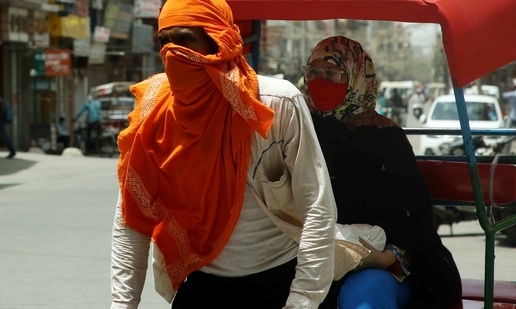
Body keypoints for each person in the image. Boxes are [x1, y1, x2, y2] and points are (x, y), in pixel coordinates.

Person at [108, 1, 387, 308]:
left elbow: (317, 209)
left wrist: (301, 302)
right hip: (204, 278)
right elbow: (132, 220)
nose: (173, 52)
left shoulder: (275, 103)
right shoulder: (155, 113)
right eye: (165, 41)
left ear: (219, 41)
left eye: (186, 39)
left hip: (279, 276)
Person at [303, 36, 462, 309]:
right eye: (313, 72)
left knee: (366, 298)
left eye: (332, 74)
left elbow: (414, 223)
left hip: (380, 264)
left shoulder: (386, 140)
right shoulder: (299, 130)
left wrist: (385, 258)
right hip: (308, 260)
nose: (320, 81)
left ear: (356, 77)